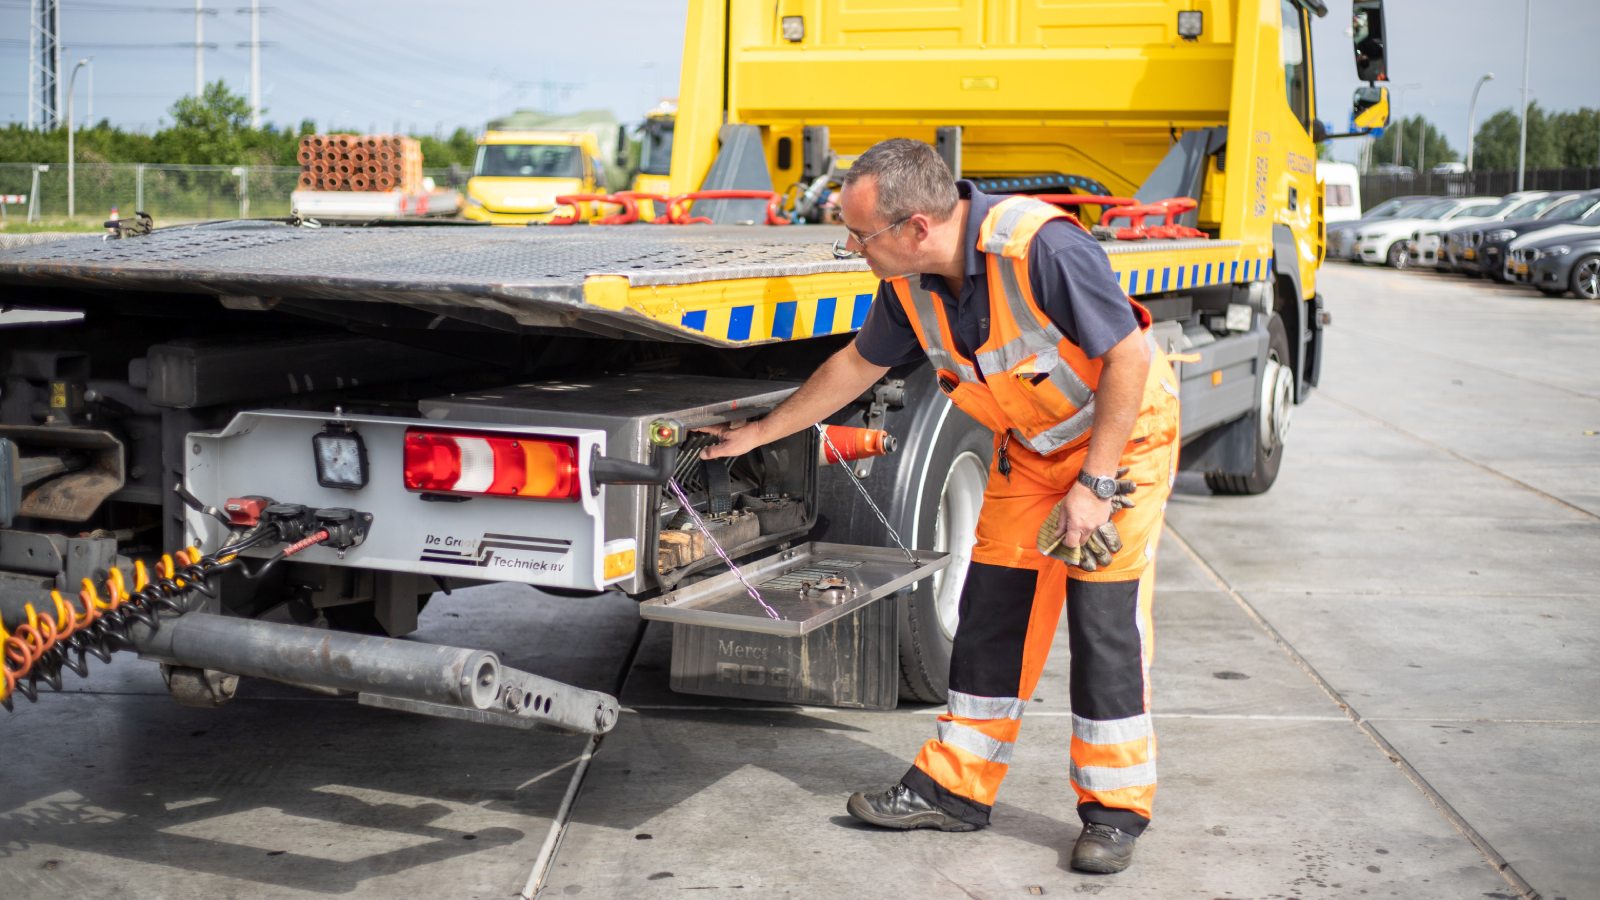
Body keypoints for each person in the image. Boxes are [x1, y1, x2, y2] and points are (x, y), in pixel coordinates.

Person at [699, 138, 1180, 875]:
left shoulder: (1042, 249)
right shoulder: (911, 281)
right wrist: (760, 432)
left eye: (862, 235)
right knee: (992, 616)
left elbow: (1130, 357)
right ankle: (955, 790)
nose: (853, 246)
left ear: (917, 227)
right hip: (1031, 451)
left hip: (1122, 449)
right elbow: (857, 366)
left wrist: (1097, 484)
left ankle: (1115, 811)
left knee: (1102, 622)